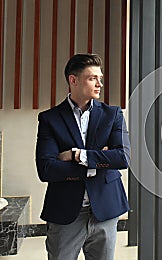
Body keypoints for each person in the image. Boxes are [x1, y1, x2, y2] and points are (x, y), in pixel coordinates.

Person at [35, 53, 130, 260]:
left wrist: (78, 155)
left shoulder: (112, 115)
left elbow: (122, 158)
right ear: (73, 80)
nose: (100, 84)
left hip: (105, 209)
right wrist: (100, 161)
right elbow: (47, 169)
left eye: (100, 78)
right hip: (66, 212)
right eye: (92, 78)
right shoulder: (50, 119)